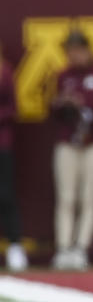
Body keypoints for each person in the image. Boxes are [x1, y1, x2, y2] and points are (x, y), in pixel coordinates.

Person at [50, 29, 93, 271]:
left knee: (89, 196)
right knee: (66, 197)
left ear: (88, 50)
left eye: (78, 50)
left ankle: (81, 248)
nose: (74, 55)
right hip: (69, 141)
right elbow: (53, 111)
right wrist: (63, 104)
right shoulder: (63, 76)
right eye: (70, 51)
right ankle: (63, 247)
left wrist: (86, 103)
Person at [0, 39, 27, 272]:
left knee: (6, 194)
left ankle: (15, 245)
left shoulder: (5, 72)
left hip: (2, 143)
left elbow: (12, 108)